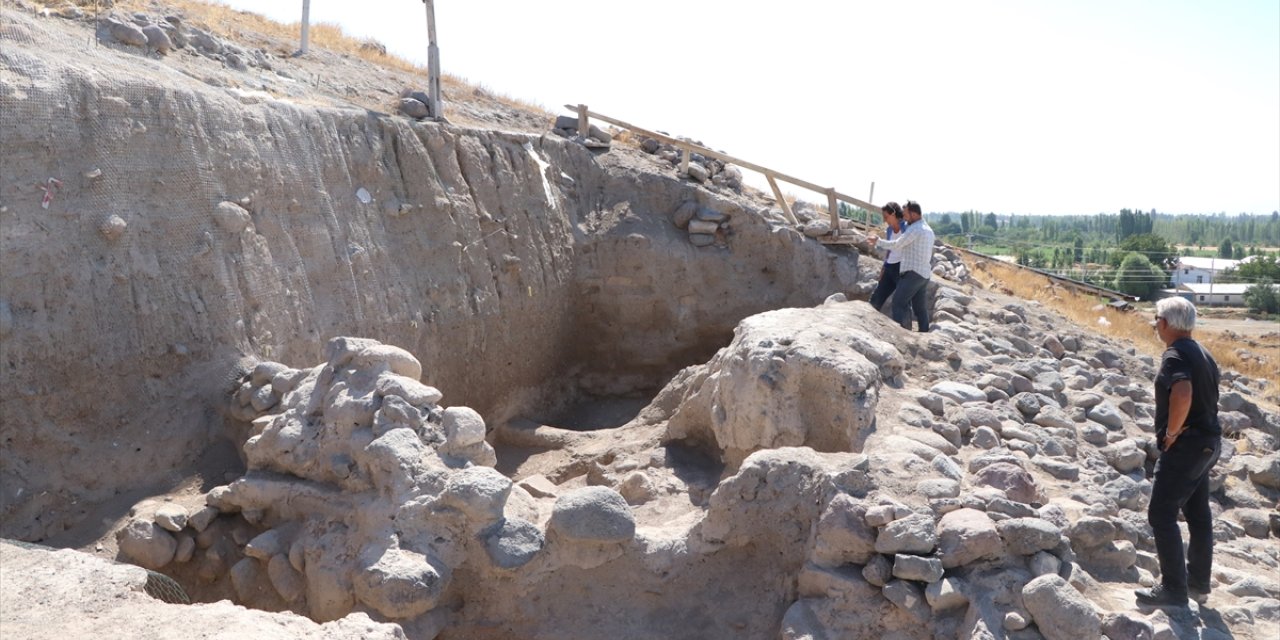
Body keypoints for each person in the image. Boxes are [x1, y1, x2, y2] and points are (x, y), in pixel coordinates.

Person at [1135, 297, 1222, 608]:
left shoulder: (1174, 354)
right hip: (1209, 443)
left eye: (1156, 319)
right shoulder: (1203, 353)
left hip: (1186, 446)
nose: (1155, 326)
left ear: (1165, 323)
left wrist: (1171, 433)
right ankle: (1198, 583)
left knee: (1161, 513)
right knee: (1198, 514)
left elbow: (1182, 393)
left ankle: (1173, 590)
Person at [869, 200, 933, 332]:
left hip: (912, 273)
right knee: (919, 307)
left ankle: (901, 334)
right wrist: (884, 266)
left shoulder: (914, 229)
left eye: (906, 214)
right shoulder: (928, 229)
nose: (904, 217)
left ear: (914, 214)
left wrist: (878, 241)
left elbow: (897, 244)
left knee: (899, 302)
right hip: (923, 274)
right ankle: (925, 334)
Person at [868, 202, 908, 312]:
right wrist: (884, 267)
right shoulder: (889, 230)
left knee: (902, 301)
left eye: (886, 217)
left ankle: (905, 327)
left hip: (902, 268)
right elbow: (889, 250)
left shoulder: (907, 227)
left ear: (894, 214)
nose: (885, 220)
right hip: (890, 266)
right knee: (876, 297)